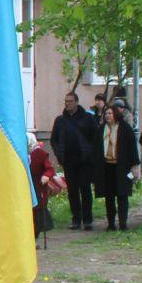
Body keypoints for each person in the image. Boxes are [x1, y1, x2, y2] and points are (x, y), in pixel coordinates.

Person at [50, 91, 96, 230]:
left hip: (84, 161)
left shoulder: (87, 119)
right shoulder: (60, 120)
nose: (67, 103)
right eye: (65, 101)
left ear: (76, 102)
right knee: (72, 191)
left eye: (70, 101)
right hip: (68, 161)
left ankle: (87, 220)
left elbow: (95, 138)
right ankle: (76, 219)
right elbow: (54, 140)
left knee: (85, 189)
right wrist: (60, 155)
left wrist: (89, 153)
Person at [97, 104, 135, 231]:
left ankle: (123, 222)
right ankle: (111, 223)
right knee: (109, 196)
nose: (107, 116)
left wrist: (134, 166)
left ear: (115, 114)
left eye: (110, 113)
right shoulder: (101, 129)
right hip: (106, 167)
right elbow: (95, 148)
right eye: (106, 114)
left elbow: (132, 148)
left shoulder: (125, 128)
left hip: (121, 167)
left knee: (122, 195)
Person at [28, 134, 60, 238]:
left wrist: (46, 176)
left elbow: (49, 169)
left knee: (38, 212)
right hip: (26, 187)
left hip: (37, 187)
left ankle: (34, 237)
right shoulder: (20, 154)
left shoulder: (40, 153)